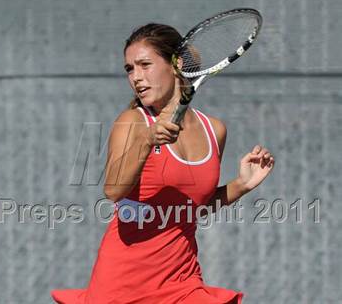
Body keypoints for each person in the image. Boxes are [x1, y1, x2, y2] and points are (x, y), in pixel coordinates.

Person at [51, 23, 274, 304]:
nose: (136, 77)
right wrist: (145, 141)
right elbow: (113, 191)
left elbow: (189, 210)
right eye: (130, 69)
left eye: (145, 64)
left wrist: (240, 186)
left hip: (183, 280)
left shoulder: (214, 130)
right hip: (123, 283)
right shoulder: (131, 121)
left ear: (176, 64)